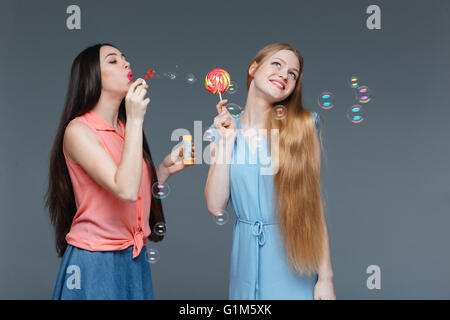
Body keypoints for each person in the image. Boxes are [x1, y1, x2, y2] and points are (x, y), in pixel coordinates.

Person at [45, 43, 193, 299]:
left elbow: (131, 190)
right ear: (92, 77)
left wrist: (162, 171)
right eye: (113, 61)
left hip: (133, 258)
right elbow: (124, 189)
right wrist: (136, 119)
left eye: (125, 59)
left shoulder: (124, 130)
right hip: (96, 262)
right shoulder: (79, 131)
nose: (126, 64)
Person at [204, 43, 336, 300]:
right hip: (244, 258)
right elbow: (215, 205)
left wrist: (326, 278)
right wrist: (228, 141)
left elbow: (312, 206)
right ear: (254, 68)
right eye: (277, 64)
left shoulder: (303, 127)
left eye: (293, 74)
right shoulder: (223, 129)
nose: (285, 75)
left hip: (292, 258)